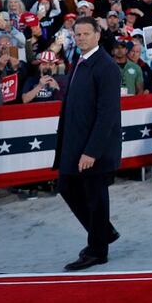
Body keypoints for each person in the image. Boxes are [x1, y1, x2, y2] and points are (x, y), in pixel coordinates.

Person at [53, 17, 122, 271]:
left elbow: (108, 114)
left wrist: (92, 151)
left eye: (85, 33)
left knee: (96, 197)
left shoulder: (106, 67)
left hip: (95, 148)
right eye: (77, 34)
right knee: (66, 185)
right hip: (75, 143)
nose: (80, 37)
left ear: (97, 35)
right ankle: (103, 231)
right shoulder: (79, 61)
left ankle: (97, 250)